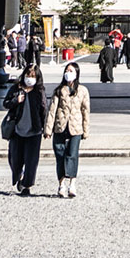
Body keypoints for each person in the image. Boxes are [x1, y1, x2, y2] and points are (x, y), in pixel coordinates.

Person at [44, 61, 88, 198]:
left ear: (77, 73)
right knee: (60, 154)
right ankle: (61, 184)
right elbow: (52, 110)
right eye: (66, 71)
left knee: (72, 154)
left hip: (75, 126)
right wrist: (48, 129)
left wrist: (86, 130)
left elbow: (86, 111)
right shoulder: (59, 90)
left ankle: (72, 184)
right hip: (60, 125)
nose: (68, 74)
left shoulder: (82, 90)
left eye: (71, 71)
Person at [1, 64, 47, 196]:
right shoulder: (16, 89)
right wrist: (16, 100)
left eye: (33, 76)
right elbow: (6, 103)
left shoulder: (39, 91)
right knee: (15, 159)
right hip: (17, 130)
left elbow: (44, 109)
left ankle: (27, 185)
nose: (29, 78)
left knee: (31, 161)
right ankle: (18, 175)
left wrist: (46, 128)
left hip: (34, 130)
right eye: (28, 75)